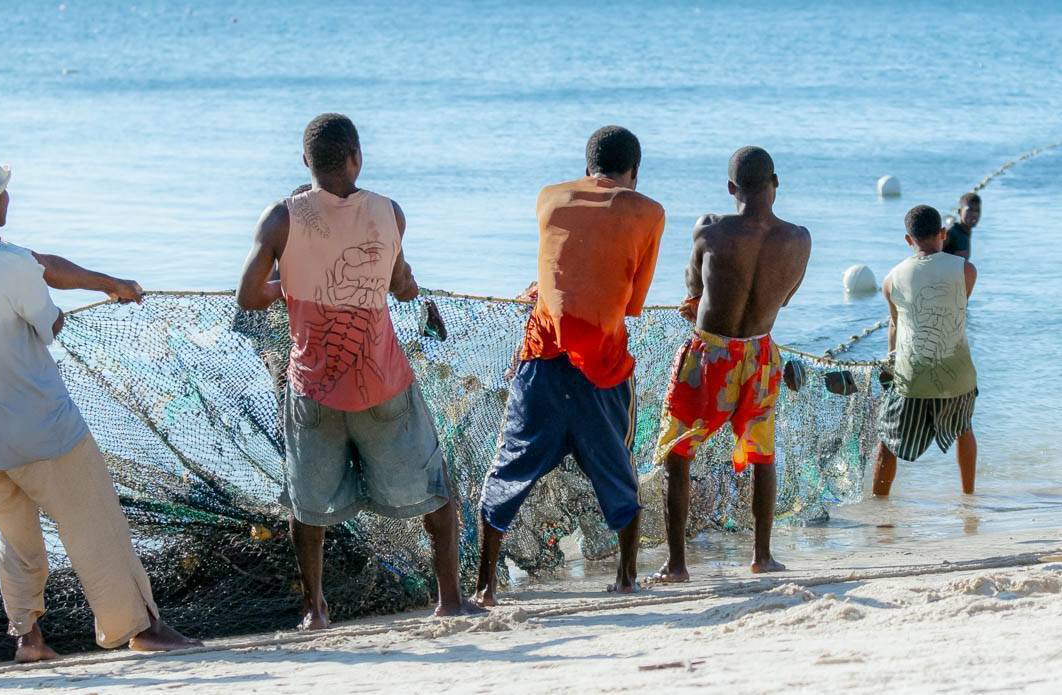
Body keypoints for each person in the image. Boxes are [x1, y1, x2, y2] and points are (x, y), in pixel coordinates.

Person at [0, 151, 201, 662]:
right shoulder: (8, 265)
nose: (9, 197)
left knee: (20, 544)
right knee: (99, 529)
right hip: (44, 431)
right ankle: (141, 627)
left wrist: (109, 284)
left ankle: (27, 638)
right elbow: (48, 324)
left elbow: (39, 265)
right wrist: (62, 307)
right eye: (3, 192)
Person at [236, 113, 480, 628]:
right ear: (356, 159)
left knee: (308, 505)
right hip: (382, 384)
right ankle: (450, 599)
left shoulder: (279, 219)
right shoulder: (390, 212)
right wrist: (407, 285)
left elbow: (248, 297)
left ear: (306, 162)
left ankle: (315, 610)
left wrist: (291, 282)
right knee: (437, 490)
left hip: (314, 388)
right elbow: (398, 282)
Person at [474, 125, 665, 604]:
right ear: (634, 174)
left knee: (508, 471)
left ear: (586, 169)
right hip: (600, 368)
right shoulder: (649, 213)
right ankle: (625, 576)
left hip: (541, 361)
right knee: (619, 470)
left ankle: (486, 587)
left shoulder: (548, 198)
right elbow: (632, 302)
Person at [651, 146, 811, 582]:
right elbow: (786, 296)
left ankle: (678, 564)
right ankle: (762, 555)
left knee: (679, 454)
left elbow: (692, 288)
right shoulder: (799, 239)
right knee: (762, 454)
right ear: (775, 184)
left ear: (730, 189)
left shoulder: (710, 229)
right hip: (760, 355)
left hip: (712, 354)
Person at [872, 205, 978, 496]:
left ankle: (880, 508)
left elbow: (895, 327)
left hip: (913, 377)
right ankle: (969, 497)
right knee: (964, 428)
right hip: (958, 376)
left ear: (908, 239)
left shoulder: (891, 279)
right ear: (942, 234)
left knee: (887, 440)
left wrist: (890, 363)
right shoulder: (967, 271)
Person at [943, 192, 981, 260]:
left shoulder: (966, 232)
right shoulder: (950, 233)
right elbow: (929, 255)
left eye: (977, 211)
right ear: (960, 211)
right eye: (970, 210)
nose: (974, 214)